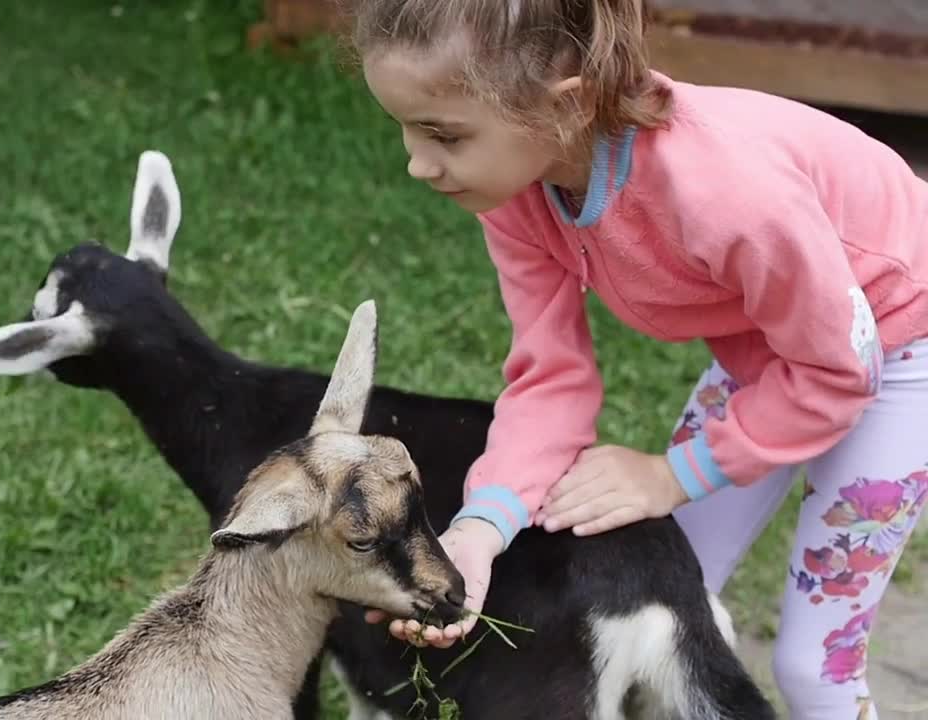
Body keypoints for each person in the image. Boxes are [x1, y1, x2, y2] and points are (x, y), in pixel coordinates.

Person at [344, 0, 928, 716]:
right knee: (672, 595)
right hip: (777, 351)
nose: (416, 162)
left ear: (566, 106)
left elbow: (843, 369)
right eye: (403, 127)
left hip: (898, 350)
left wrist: (671, 475)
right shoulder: (518, 191)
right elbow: (550, 380)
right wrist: (477, 530)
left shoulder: (727, 192)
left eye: (444, 134)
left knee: (813, 668)